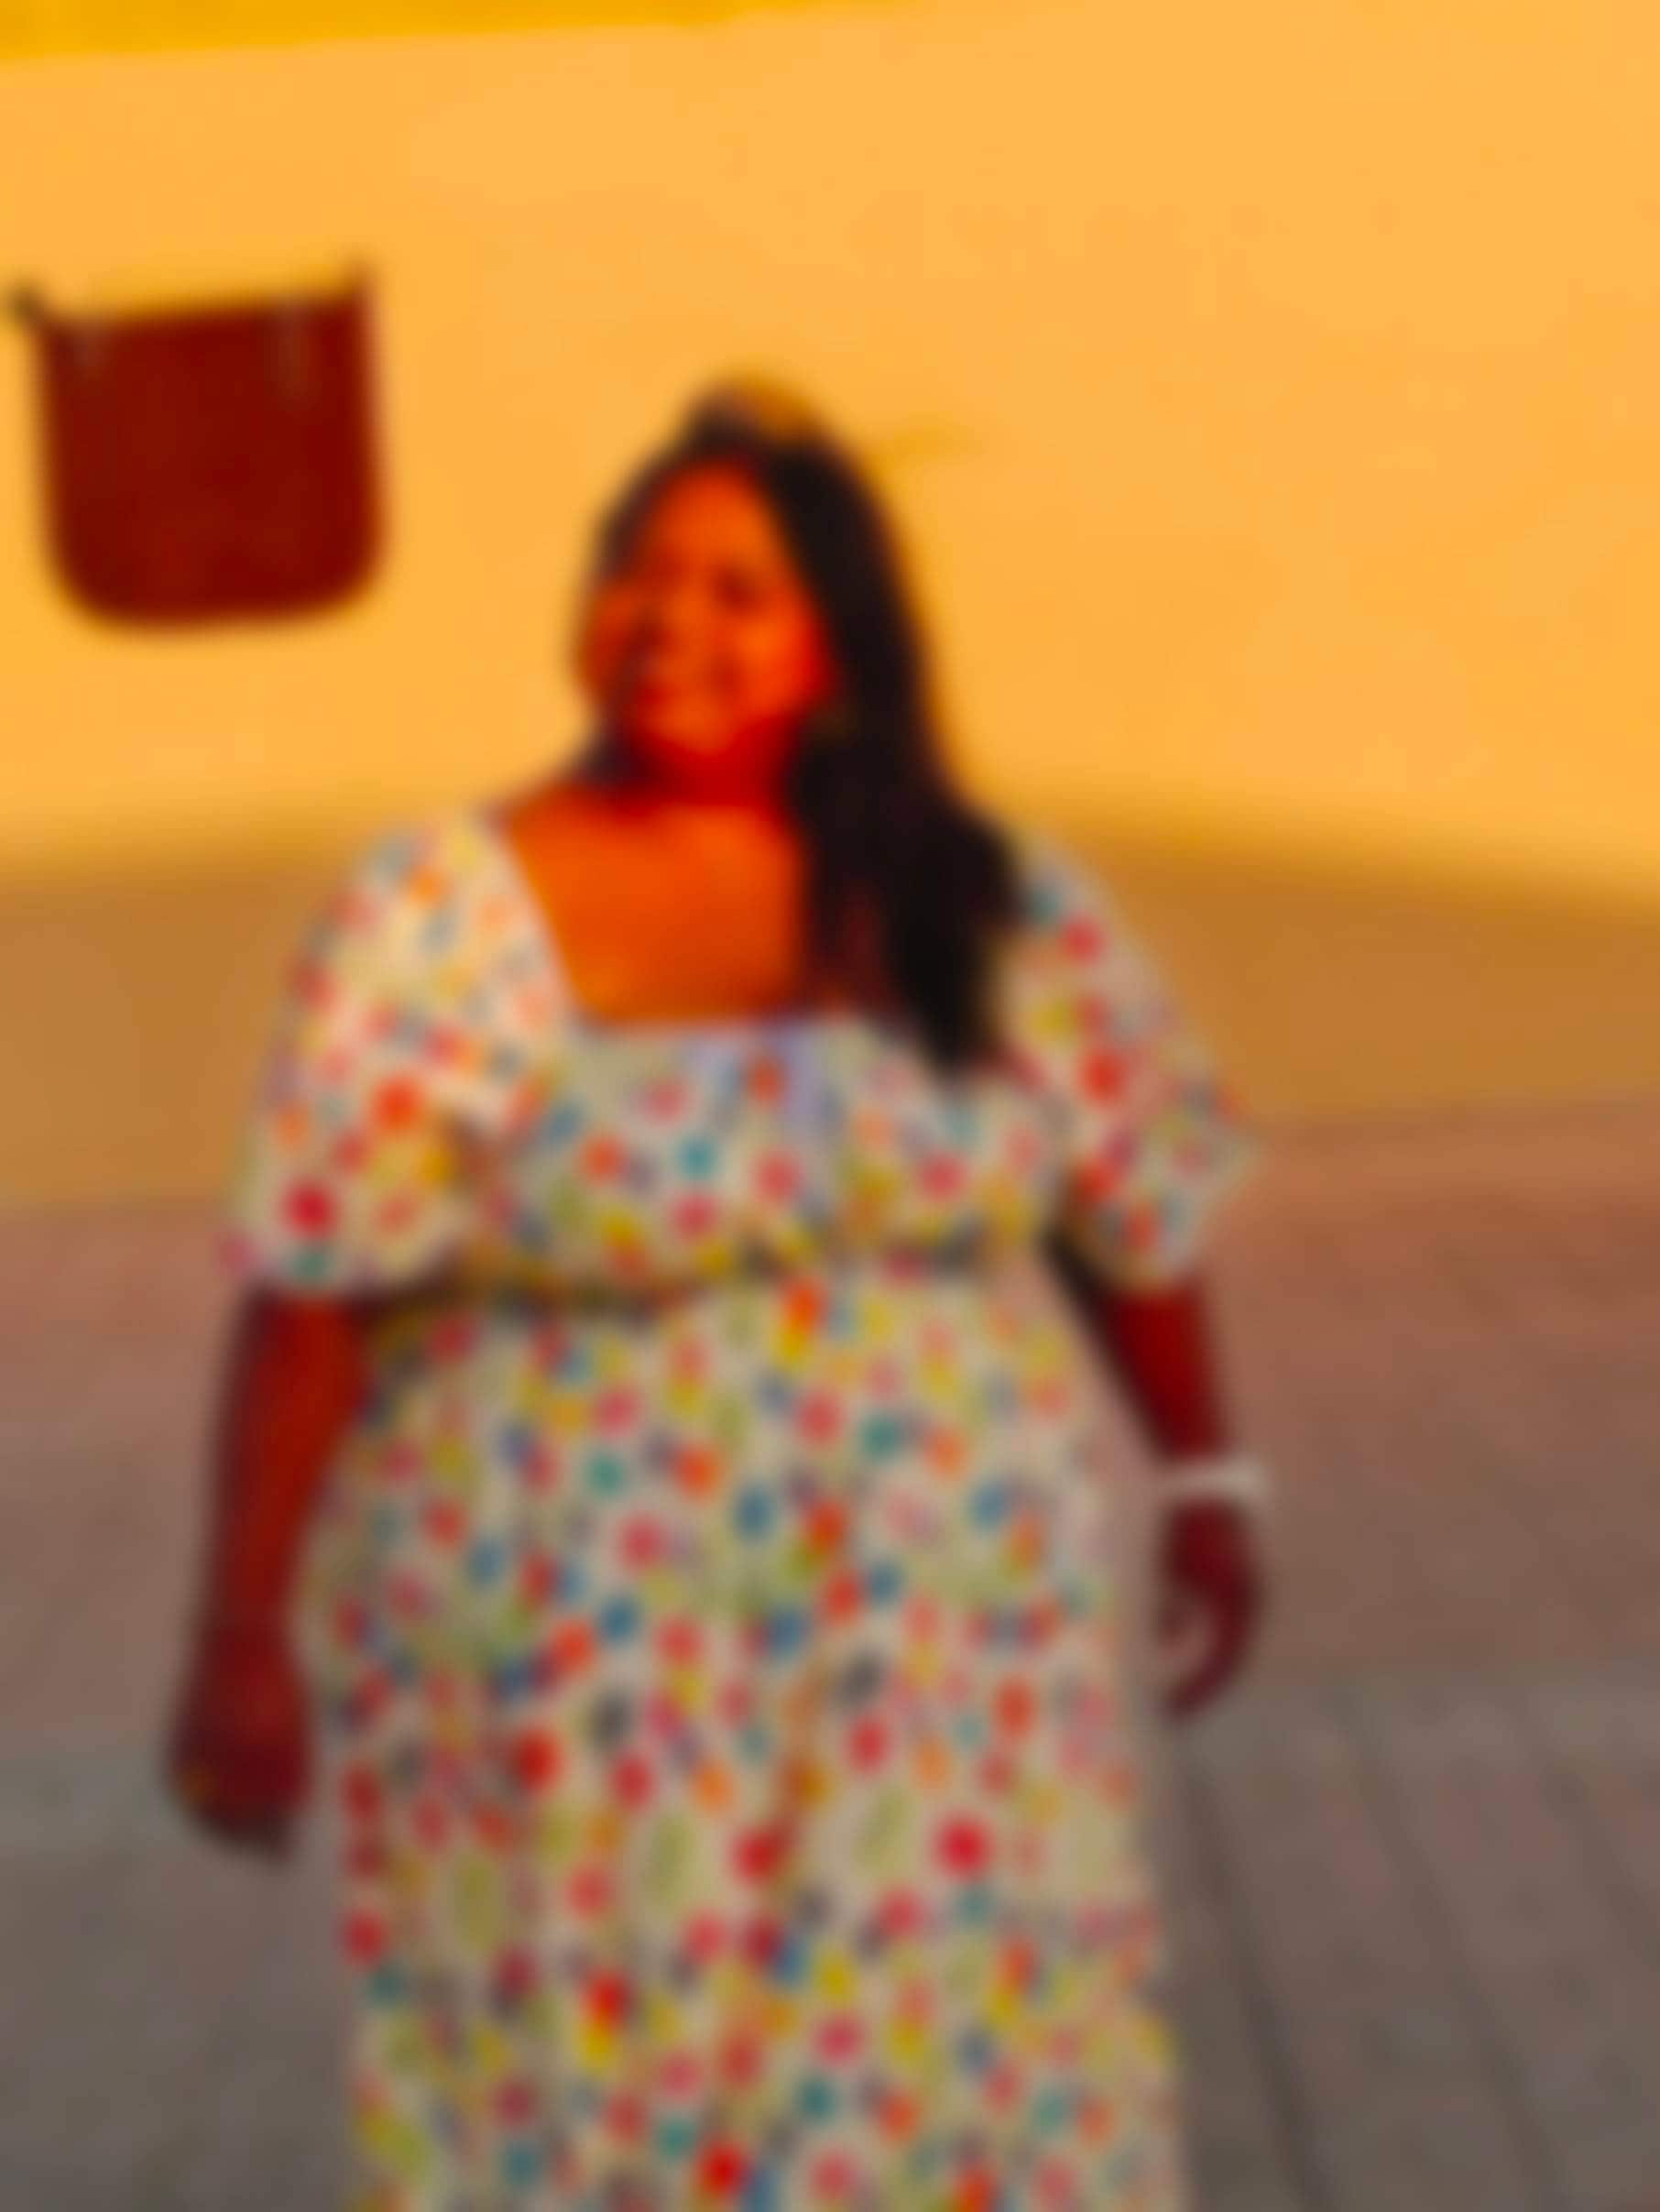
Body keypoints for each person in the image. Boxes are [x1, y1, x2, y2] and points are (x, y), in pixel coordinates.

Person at [164, 376, 1267, 2211]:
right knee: (599, 2078)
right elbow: (314, 1287)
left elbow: (1129, 1199)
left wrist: (1210, 1480)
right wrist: (238, 1631)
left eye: (738, 588)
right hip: (578, 1670)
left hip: (941, 1667)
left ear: (839, 645)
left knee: (944, 2059)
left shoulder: (978, 900)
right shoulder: (440, 912)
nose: (670, 620)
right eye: (638, 571)